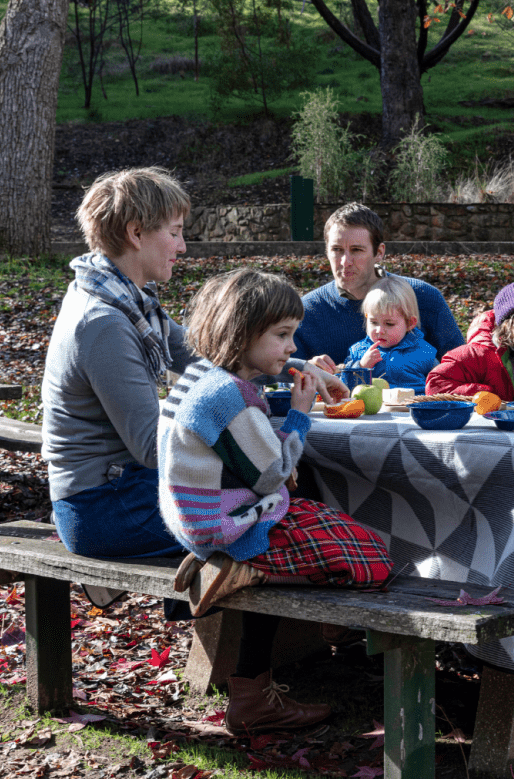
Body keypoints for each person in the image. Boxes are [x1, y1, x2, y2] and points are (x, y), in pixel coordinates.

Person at [41, 166, 345, 559]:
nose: (182, 246)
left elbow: (208, 349)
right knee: (290, 513)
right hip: (106, 506)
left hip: (125, 489)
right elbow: (154, 448)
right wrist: (256, 462)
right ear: (136, 234)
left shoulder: (125, 301)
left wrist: (300, 367)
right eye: (174, 232)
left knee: (290, 492)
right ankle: (223, 609)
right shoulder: (104, 323)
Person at [159, 268, 393, 733]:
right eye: (283, 336)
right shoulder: (230, 398)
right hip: (235, 522)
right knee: (375, 560)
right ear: (241, 333)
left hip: (202, 515)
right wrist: (300, 417)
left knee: (322, 512)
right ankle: (247, 566)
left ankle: (252, 682)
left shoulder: (202, 377)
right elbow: (273, 476)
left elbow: (251, 450)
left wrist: (298, 369)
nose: (292, 347)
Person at [295, 203, 464, 370]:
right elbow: (278, 379)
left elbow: (464, 367)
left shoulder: (423, 297)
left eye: (356, 250)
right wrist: (303, 368)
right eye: (337, 249)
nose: (345, 262)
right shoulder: (306, 311)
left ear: (379, 252)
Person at [338, 275, 439, 394]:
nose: (379, 330)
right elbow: (341, 388)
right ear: (366, 317)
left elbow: (441, 382)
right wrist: (361, 367)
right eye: (373, 322)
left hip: (411, 409)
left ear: (410, 323)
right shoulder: (359, 352)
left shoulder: (424, 352)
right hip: (371, 410)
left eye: (389, 323)